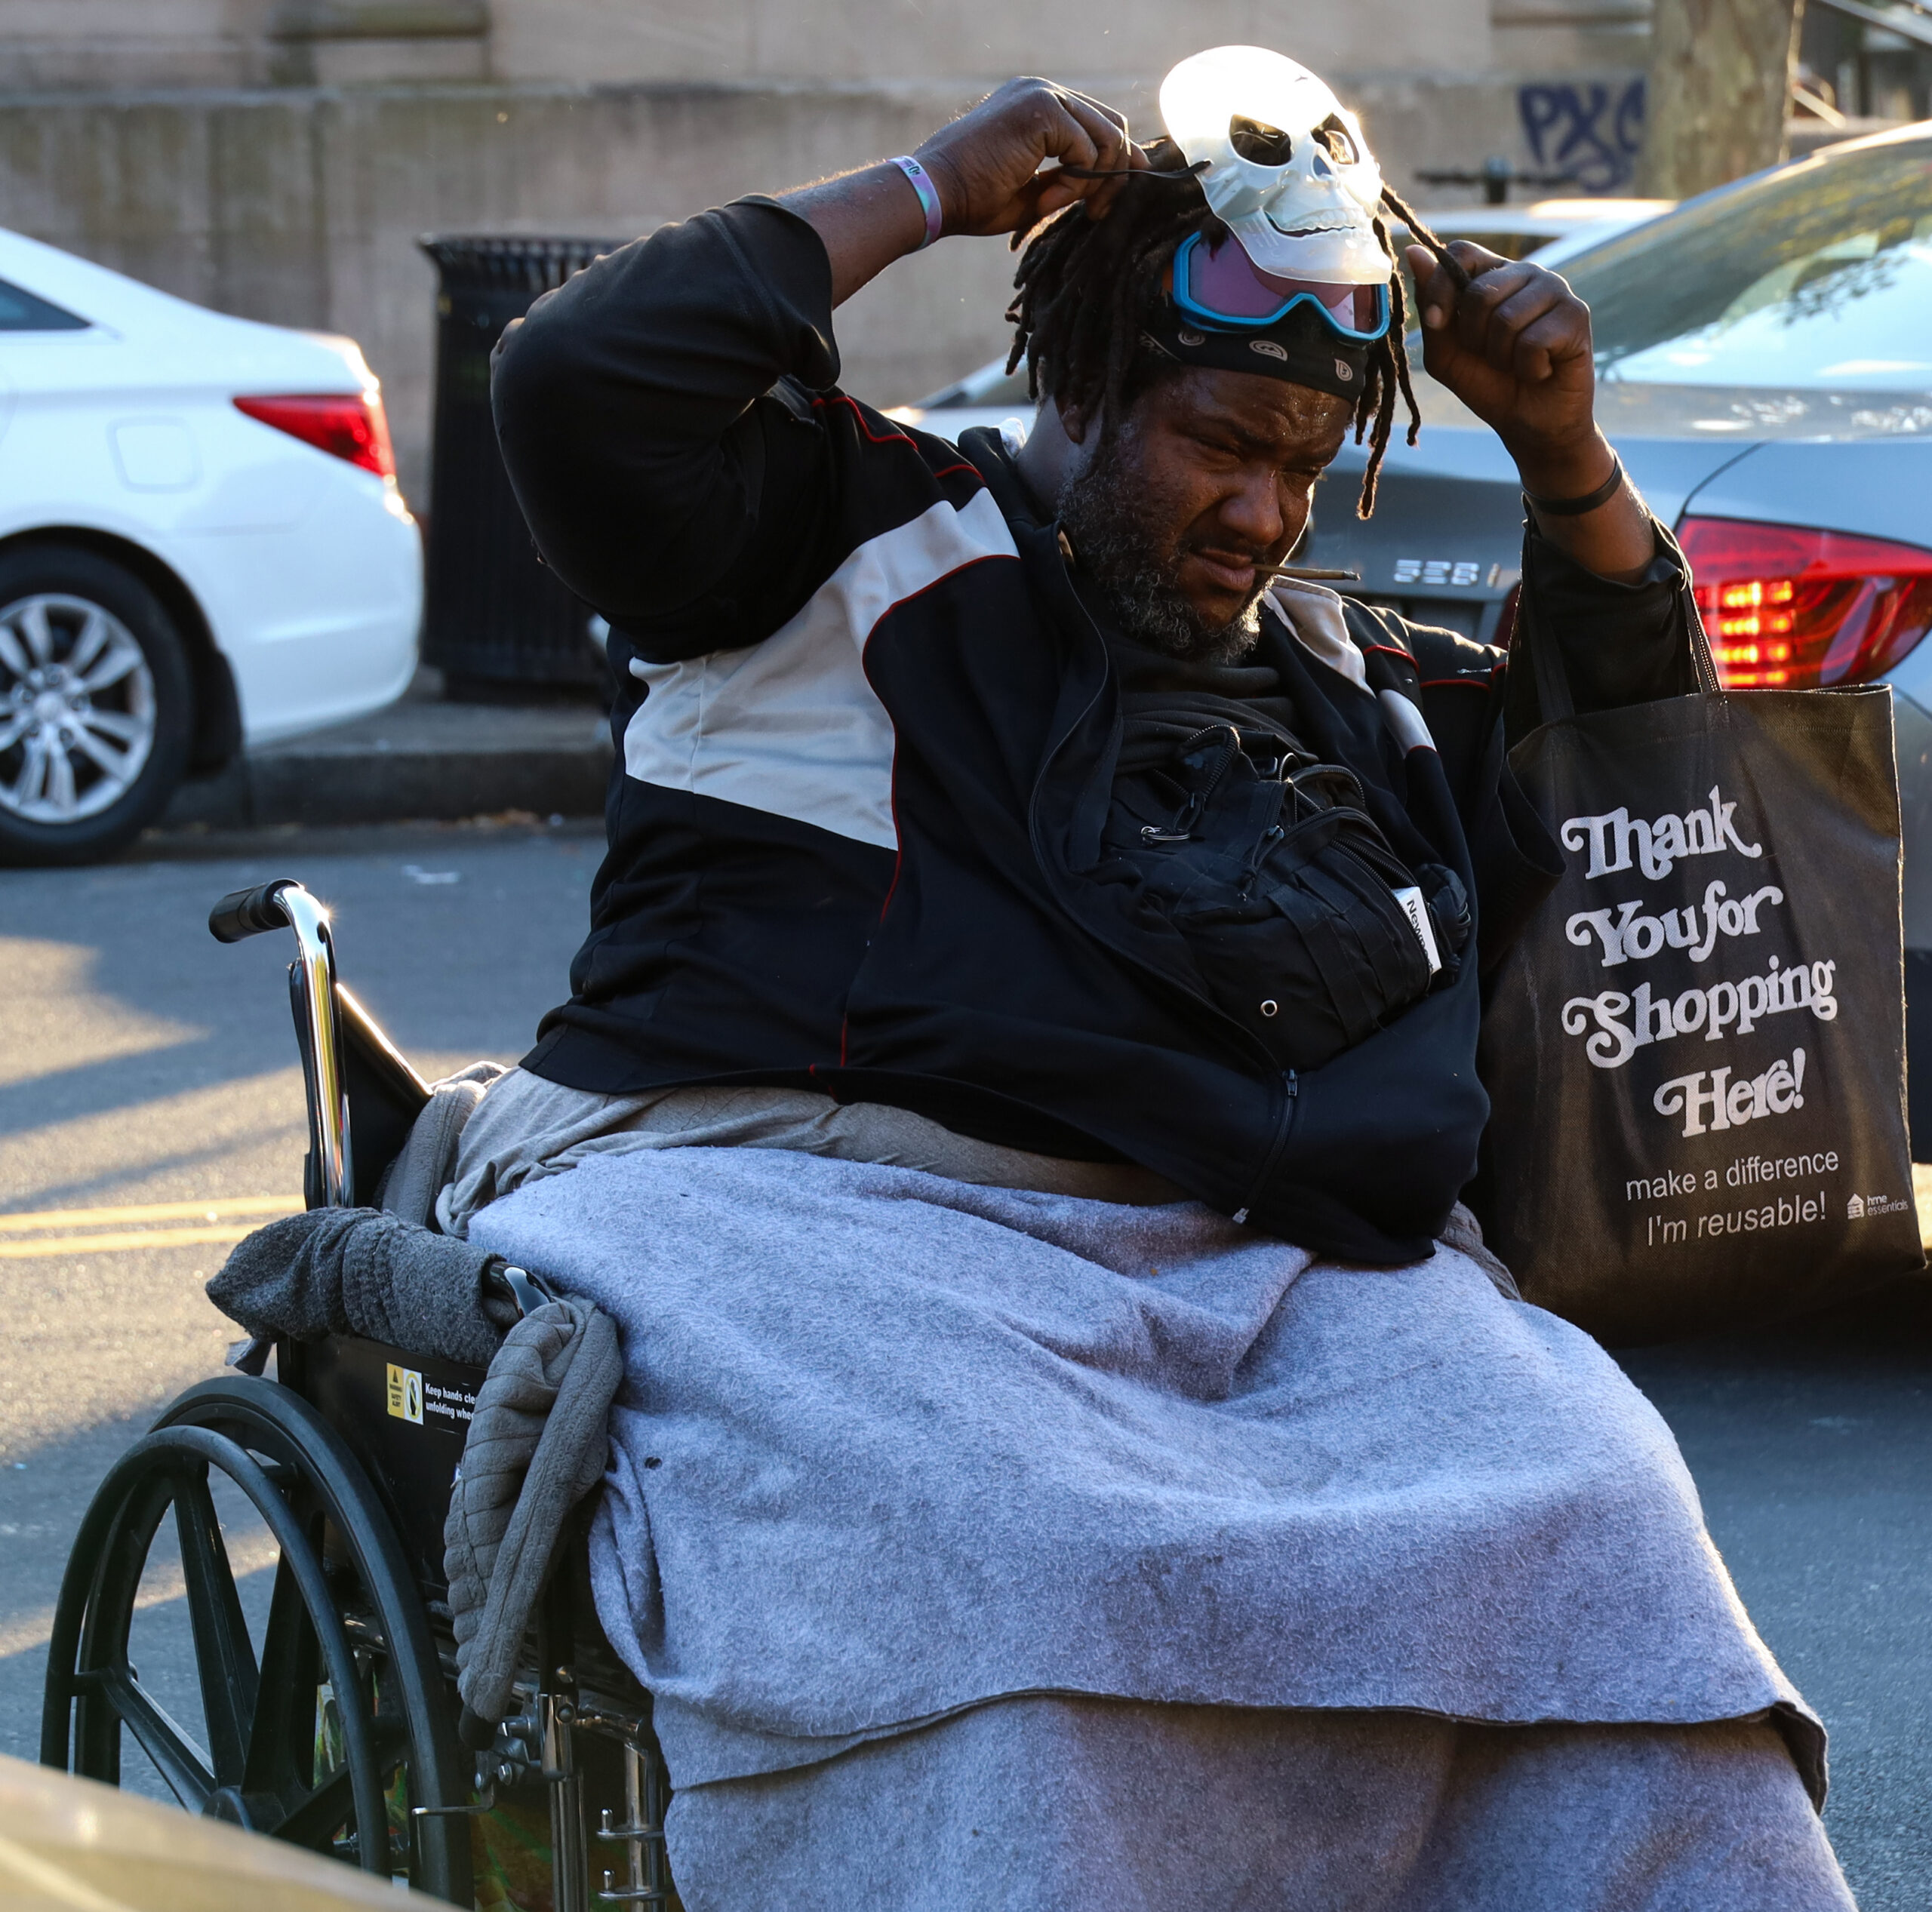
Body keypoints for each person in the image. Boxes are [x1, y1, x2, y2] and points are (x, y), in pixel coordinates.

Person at [457, 60, 1854, 1910]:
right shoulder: (820, 548)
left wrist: (1561, 451)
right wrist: (931, 186)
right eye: (1220, 443)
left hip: (1247, 1254)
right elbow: (576, 382)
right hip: (793, 1187)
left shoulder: (1339, 682)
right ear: (1087, 381)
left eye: (1298, 463)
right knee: (1025, 1555)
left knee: (1597, 1509)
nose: (1263, 510)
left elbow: (1635, 779)